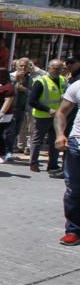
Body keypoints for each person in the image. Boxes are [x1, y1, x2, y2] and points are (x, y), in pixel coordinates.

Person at [29, 59, 68, 177]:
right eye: (54, 68)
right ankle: (33, 163)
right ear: (49, 68)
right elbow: (32, 101)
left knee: (55, 140)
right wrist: (48, 109)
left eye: (59, 69)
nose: (57, 71)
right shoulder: (41, 81)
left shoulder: (62, 80)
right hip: (42, 116)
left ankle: (53, 164)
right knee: (37, 140)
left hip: (58, 117)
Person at [55, 78, 80, 245]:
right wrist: (60, 134)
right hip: (77, 144)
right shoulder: (78, 85)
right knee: (73, 190)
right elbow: (61, 112)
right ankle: (73, 230)